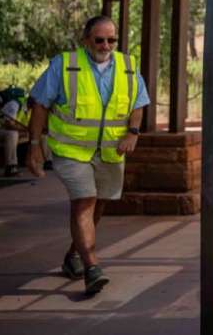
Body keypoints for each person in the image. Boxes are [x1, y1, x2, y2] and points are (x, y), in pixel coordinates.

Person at [25, 15, 150, 295]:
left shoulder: (128, 67)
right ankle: (92, 267)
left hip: (110, 150)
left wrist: (133, 132)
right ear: (85, 40)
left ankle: (74, 256)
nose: (105, 45)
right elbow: (40, 105)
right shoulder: (65, 65)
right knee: (85, 201)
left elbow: (138, 103)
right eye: (99, 39)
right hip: (70, 150)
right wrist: (34, 145)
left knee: (100, 205)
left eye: (111, 39)